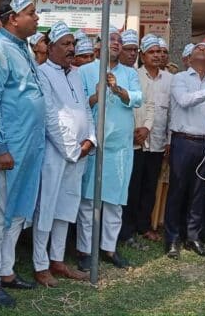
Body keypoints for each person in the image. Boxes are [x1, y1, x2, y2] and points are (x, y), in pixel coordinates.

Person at [0, 0, 46, 307]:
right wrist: (0, 146)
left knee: (18, 210)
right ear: (13, 18)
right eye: (31, 13)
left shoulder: (22, 48)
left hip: (28, 148)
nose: (36, 18)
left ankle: (6, 271)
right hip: (9, 151)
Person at [32, 21, 96, 287]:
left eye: (73, 44)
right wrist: (73, 149)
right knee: (46, 208)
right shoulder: (42, 73)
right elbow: (49, 116)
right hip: (55, 154)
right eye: (65, 44)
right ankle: (40, 264)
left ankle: (57, 260)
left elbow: (86, 112)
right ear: (51, 47)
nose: (71, 49)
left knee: (67, 207)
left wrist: (90, 140)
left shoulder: (76, 74)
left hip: (79, 153)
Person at [76, 29, 143, 270]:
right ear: (99, 44)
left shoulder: (129, 73)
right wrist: (97, 93)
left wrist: (117, 90)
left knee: (115, 201)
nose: (116, 44)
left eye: (119, 41)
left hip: (120, 147)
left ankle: (109, 248)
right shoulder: (84, 71)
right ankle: (85, 250)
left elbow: (137, 98)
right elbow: (79, 104)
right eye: (112, 39)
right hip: (94, 144)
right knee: (89, 201)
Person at [164, 43, 205, 260]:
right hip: (183, 141)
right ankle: (172, 238)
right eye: (198, 48)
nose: (202, 50)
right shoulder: (180, 78)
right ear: (189, 57)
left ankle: (193, 236)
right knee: (177, 192)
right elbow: (184, 101)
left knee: (199, 193)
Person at [120, 34, 172, 248]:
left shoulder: (170, 79)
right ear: (142, 55)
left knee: (150, 186)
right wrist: (136, 131)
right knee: (133, 186)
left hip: (158, 140)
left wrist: (167, 139)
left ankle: (144, 225)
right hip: (136, 140)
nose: (157, 55)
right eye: (152, 52)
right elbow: (130, 105)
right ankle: (128, 228)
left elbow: (170, 112)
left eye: (160, 52)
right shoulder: (133, 75)